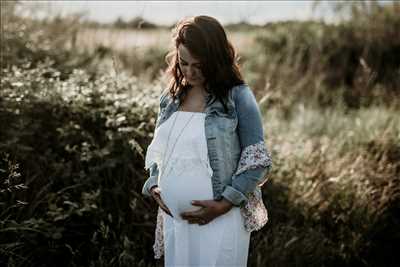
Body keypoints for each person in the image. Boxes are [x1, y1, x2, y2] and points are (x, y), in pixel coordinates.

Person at [141, 15, 272, 267]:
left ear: (215, 59)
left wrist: (223, 204)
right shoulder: (171, 98)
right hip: (176, 222)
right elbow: (159, 150)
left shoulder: (238, 97)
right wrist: (155, 185)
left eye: (198, 65)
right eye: (183, 62)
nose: (190, 72)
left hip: (220, 221)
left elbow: (256, 160)